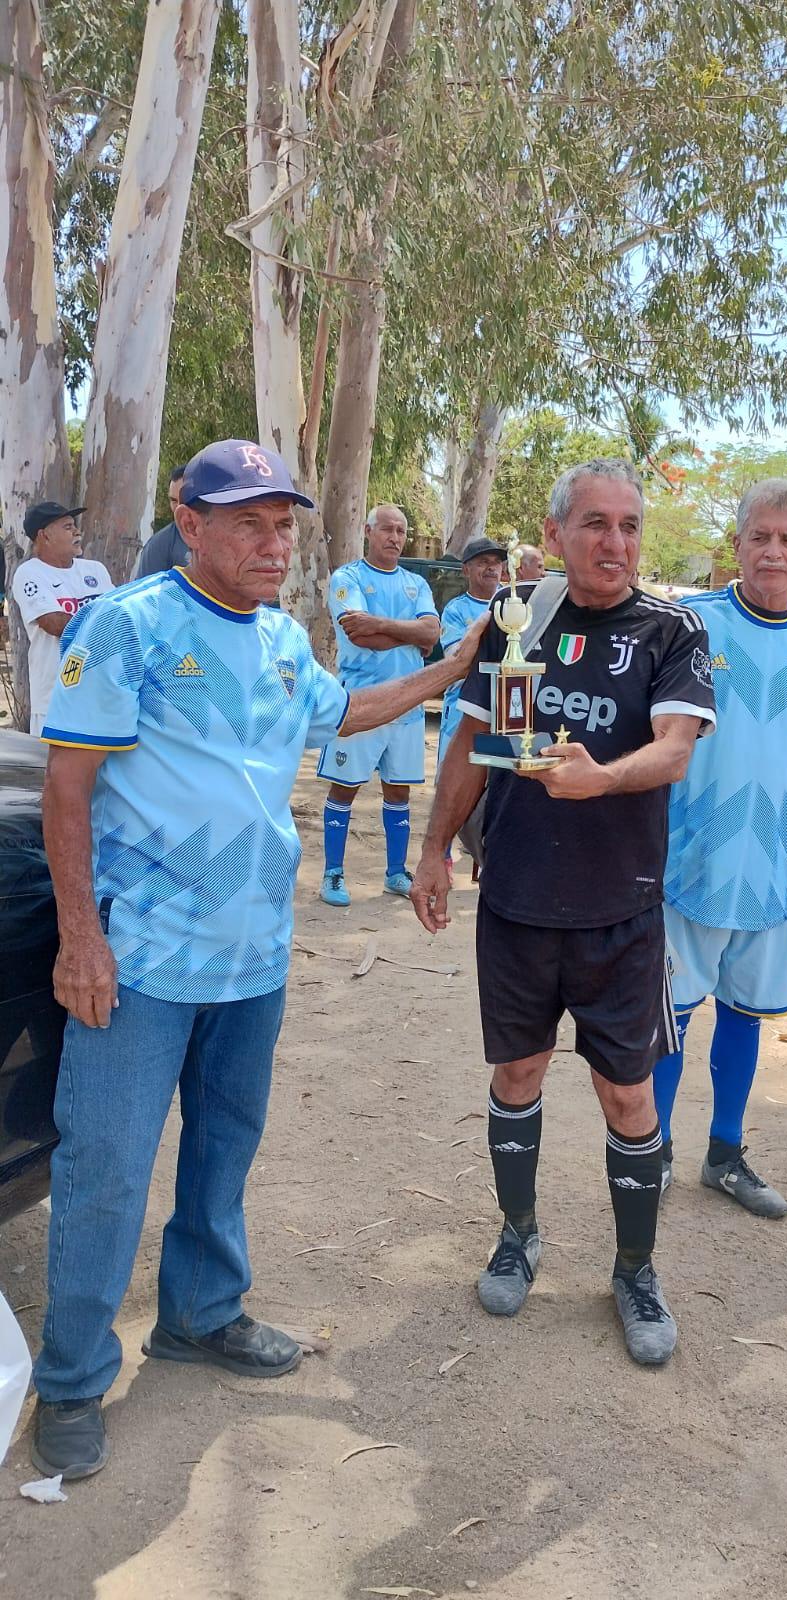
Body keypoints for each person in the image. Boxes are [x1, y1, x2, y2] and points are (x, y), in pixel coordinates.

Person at [29, 440, 487, 1482]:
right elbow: (68, 789)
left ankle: (199, 1315)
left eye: (284, 523)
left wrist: (452, 669)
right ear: (187, 522)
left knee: (223, 1151)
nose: (274, 542)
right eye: (248, 521)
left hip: (251, 960)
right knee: (104, 1171)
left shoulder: (284, 640)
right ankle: (69, 1381)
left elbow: (342, 712)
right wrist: (80, 938)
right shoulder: (127, 627)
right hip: (138, 962)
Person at [410, 459, 715, 1366]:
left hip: (622, 913)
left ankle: (634, 1268)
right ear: (555, 535)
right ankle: (518, 1235)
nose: (613, 543)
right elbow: (473, 738)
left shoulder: (671, 628)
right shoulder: (514, 620)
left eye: (628, 526)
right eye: (593, 524)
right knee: (517, 1079)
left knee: (627, 1094)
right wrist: (433, 847)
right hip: (514, 903)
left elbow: (672, 753)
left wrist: (598, 779)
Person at [653, 482, 787, 1218]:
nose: (773, 551)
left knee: (746, 1010)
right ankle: (656, 1151)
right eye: (759, 537)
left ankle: (725, 1152)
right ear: (736, 546)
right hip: (689, 860)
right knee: (670, 1014)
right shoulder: (689, 624)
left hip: (770, 870)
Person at [317, 505, 439, 905]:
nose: (395, 537)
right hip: (361, 703)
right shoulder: (347, 577)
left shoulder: (416, 583)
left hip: (408, 704)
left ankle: (395, 873)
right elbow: (358, 634)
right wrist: (409, 634)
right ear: (368, 531)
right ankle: (333, 874)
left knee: (398, 791)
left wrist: (381, 625)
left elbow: (432, 633)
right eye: (387, 528)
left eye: (402, 531)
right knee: (344, 788)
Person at [11, 502, 112, 736]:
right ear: (44, 536)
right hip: (54, 699)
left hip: (100, 694)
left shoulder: (95, 570)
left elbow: (121, 616)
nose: (77, 532)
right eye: (68, 527)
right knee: (53, 771)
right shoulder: (29, 573)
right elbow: (54, 624)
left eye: (75, 526)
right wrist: (104, 622)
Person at [436, 536, 508, 768]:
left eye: (496, 562)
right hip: (462, 707)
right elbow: (457, 661)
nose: (491, 567)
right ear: (466, 570)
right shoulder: (455, 610)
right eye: (483, 562)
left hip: (505, 709)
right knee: (454, 781)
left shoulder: (514, 603)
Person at [133, 466, 189, 578]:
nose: (178, 508)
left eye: (185, 499)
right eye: (174, 501)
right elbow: (146, 593)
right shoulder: (159, 545)